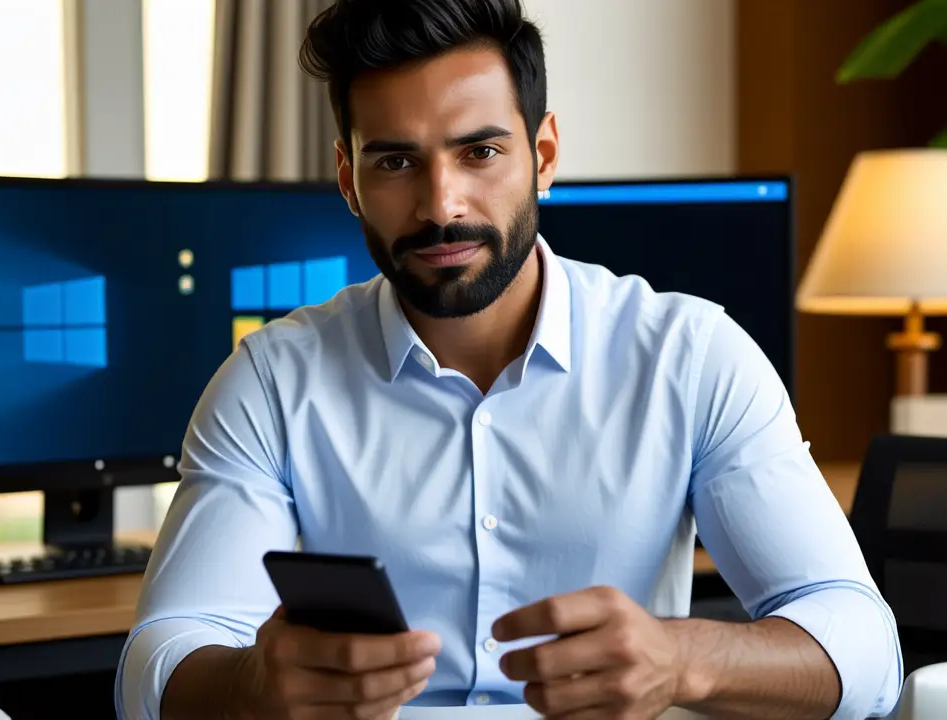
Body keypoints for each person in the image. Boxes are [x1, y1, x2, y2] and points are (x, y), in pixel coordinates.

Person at [115, 0, 903, 718]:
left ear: (544, 153)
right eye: (395, 163)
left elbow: (867, 649)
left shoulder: (691, 357)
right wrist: (250, 685)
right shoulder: (271, 381)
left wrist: (684, 657)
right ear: (349, 182)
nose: (441, 204)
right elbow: (160, 656)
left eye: (480, 152)